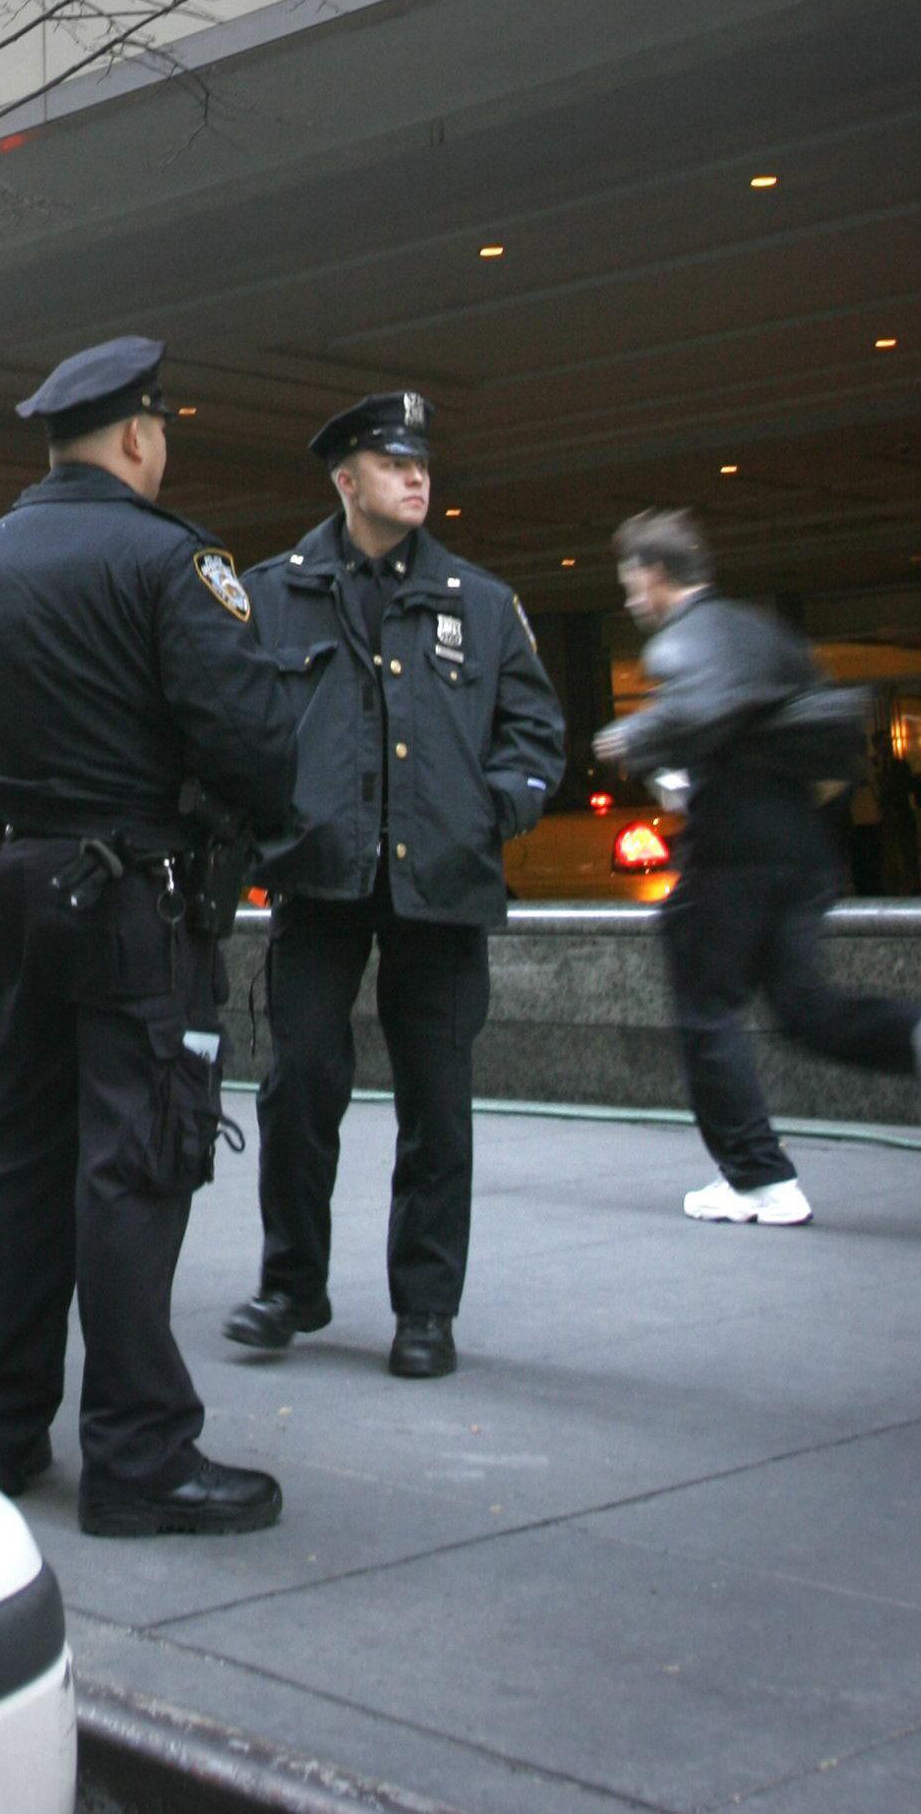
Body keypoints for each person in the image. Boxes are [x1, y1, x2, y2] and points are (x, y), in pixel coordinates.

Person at [0, 337, 299, 1539]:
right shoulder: (171, 560)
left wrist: (26, 803)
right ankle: (136, 1452)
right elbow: (254, 746)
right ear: (136, 435)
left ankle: (5, 1426)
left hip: (21, 890)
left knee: (18, 1158)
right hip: (137, 898)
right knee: (132, 1161)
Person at [225, 392, 564, 1381]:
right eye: (390, 462)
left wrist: (492, 806)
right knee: (299, 1089)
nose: (415, 477)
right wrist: (264, 819)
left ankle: (424, 1308)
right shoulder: (268, 595)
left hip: (440, 883)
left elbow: (534, 731)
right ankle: (290, 1284)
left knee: (436, 1103)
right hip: (317, 882)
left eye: (422, 463)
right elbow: (234, 724)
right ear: (344, 481)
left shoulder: (481, 602)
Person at [599, 509, 921, 1217]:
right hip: (800, 849)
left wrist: (636, 732)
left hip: (728, 850)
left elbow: (701, 710)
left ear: (652, 574)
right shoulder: (761, 628)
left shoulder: (686, 637)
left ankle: (755, 1175)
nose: (628, 600)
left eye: (629, 583)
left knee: (705, 1008)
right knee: (805, 1009)